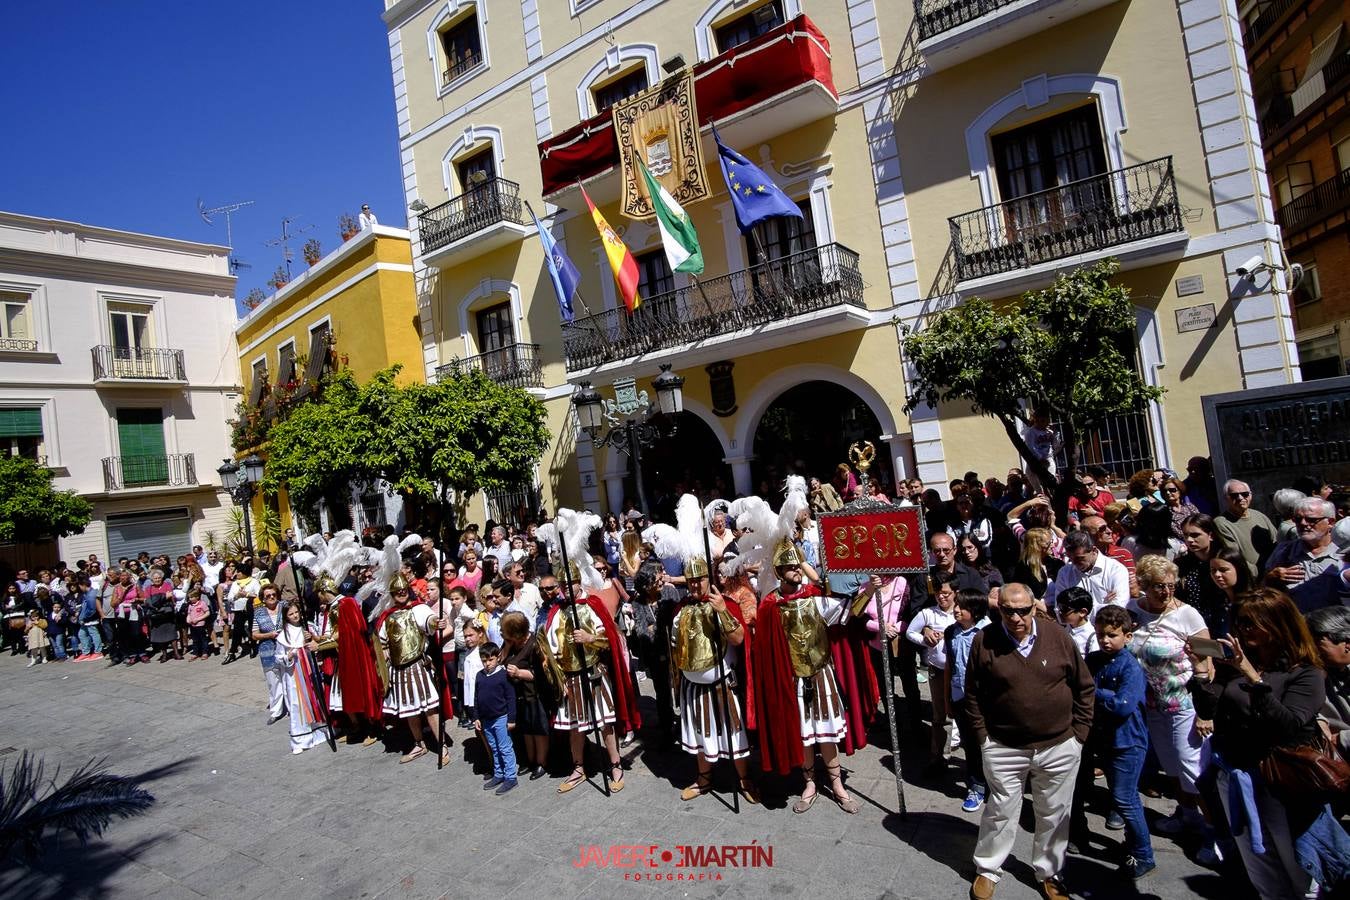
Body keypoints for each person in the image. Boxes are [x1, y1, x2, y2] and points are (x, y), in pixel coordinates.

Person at [1189, 589, 1341, 899]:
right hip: (1235, 777)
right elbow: (1208, 711)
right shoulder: (1235, 663)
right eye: (1239, 623)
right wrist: (1201, 671)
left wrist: (1251, 676)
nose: (1242, 631)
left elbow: (1286, 726)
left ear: (1277, 625)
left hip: (1281, 783)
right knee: (1261, 870)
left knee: (1300, 870)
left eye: (1250, 624)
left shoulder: (1306, 673)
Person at [965, 583, 1094, 900]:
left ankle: (1049, 872)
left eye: (1023, 610)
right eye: (1008, 610)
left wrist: (1079, 736)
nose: (1016, 617)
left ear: (1034, 607)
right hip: (1004, 746)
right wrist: (983, 739)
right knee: (1000, 810)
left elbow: (1084, 687)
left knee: (1054, 812)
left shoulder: (1057, 637)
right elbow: (972, 694)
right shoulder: (985, 640)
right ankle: (988, 868)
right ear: (1000, 609)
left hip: (1059, 745)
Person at [751, 539, 873, 815]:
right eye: (790, 567)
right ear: (780, 572)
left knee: (826, 732)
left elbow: (849, 612)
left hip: (821, 674)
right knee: (804, 734)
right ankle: (810, 784)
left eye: (798, 565)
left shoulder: (815, 596)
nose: (797, 570)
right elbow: (766, 650)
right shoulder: (771, 606)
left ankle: (837, 785)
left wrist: (870, 591)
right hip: (792, 680)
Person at [1127, 555, 1213, 842]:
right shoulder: (1133, 610)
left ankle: (1216, 833)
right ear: (1144, 585)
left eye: (1171, 586)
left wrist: (1205, 711)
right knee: (1172, 765)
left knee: (1191, 766)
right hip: (1152, 705)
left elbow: (1208, 664)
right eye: (1158, 587)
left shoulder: (1187, 615)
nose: (1166, 592)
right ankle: (1187, 815)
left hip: (1184, 703)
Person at [539, 557, 640, 794]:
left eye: (570, 584)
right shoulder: (556, 611)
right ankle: (578, 768)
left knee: (605, 723)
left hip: (594, 673)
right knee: (576, 726)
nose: (566, 589)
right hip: (570, 677)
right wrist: (557, 677)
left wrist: (590, 638)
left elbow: (611, 639)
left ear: (578, 582)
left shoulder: (592, 605)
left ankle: (615, 765)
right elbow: (550, 650)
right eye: (562, 585)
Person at [1073, 604, 1155, 879]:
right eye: (1100, 635)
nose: (1106, 641)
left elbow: (1122, 705)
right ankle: (1132, 845)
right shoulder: (1094, 660)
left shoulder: (1131, 667)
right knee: (1117, 795)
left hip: (1127, 742)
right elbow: (1078, 688)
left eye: (1112, 635)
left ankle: (1144, 854)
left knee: (1125, 798)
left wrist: (1096, 693)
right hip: (1102, 739)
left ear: (1127, 637)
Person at [670, 550, 758, 804]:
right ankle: (704, 778)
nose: (696, 584)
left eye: (700, 579)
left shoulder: (725, 604)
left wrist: (721, 611)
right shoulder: (681, 610)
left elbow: (739, 639)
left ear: (709, 579)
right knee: (700, 734)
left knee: (734, 733)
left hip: (722, 685)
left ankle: (743, 779)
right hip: (692, 687)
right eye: (691, 580)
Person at [376, 574, 450, 766]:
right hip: (398, 670)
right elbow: (383, 643)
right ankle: (419, 743)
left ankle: (441, 745)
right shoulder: (388, 616)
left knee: (429, 707)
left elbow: (429, 620)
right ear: (392, 594)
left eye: (403, 590)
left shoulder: (418, 609)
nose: (401, 594)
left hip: (418, 664)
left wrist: (437, 622)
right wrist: (384, 665)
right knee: (410, 710)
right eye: (397, 592)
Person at [946, 588, 991, 813]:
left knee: (990, 745)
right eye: (956, 605)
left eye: (961, 607)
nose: (955, 610)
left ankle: (996, 785)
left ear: (974, 610)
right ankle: (976, 785)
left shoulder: (989, 633)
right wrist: (948, 698)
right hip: (960, 696)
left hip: (986, 700)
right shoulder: (950, 632)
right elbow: (950, 665)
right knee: (970, 745)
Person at [907, 571, 958, 765]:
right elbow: (911, 632)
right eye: (938, 593)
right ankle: (938, 756)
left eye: (946, 593)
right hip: (938, 670)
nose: (942, 596)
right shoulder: (928, 613)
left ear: (955, 592)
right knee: (940, 715)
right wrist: (925, 640)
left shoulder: (963, 612)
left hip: (960, 671)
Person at [275, 600, 333, 754]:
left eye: (296, 612)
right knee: (297, 703)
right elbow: (278, 657)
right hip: (294, 673)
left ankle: (321, 731)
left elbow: (315, 646)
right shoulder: (283, 636)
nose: (295, 616)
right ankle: (301, 738)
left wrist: (311, 639)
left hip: (309, 669)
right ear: (286, 617)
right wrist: (289, 655)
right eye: (291, 614)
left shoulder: (307, 627)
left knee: (314, 696)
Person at [500, 611, 550, 780]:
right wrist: (506, 648)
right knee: (526, 730)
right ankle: (530, 761)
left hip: (534, 695)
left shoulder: (535, 645)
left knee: (538, 730)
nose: (502, 634)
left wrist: (520, 673)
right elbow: (500, 661)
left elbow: (542, 674)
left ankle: (541, 762)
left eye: (505, 631)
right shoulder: (511, 644)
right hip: (518, 695)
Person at [1044, 530, 1130, 617]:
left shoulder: (1116, 570)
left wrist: (1076, 611)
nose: (1074, 563)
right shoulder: (1064, 573)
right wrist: (1103, 606)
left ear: (1093, 550)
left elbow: (1117, 609)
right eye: (1070, 558)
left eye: (1079, 558)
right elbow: (1060, 611)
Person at [1264, 497, 1342, 589]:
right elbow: (1263, 588)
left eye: (1311, 519)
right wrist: (1271, 577)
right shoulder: (1284, 550)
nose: (1303, 523)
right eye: (1298, 519)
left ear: (1330, 522)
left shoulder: (1343, 552)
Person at [473, 641, 519, 794]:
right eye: (484, 660)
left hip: (501, 718)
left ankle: (511, 776)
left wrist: (511, 719)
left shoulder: (503, 675)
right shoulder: (479, 676)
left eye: (490, 660)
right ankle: (498, 773)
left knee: (505, 748)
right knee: (494, 748)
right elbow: (477, 698)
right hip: (486, 720)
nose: (487, 664)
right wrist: (477, 717)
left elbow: (511, 698)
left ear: (498, 657)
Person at [1307, 605, 1350, 762]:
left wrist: (1341, 739)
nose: (1312, 651)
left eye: (1318, 643)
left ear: (1347, 644)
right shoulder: (1318, 674)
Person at [1216, 479, 1277, 577]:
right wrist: (1261, 574)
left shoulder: (1260, 516)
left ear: (1251, 495)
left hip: (1273, 574)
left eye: (1245, 494)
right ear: (1226, 498)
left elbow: (1276, 543)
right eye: (1234, 495)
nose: (1240, 498)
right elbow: (1234, 557)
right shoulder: (1222, 523)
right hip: (1251, 578)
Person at [252, 584, 287, 725]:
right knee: (274, 682)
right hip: (268, 651)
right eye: (268, 596)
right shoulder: (259, 613)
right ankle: (276, 711)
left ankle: (292, 708)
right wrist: (269, 635)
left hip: (286, 648)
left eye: (274, 594)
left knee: (289, 679)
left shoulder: (285, 607)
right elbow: (254, 635)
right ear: (263, 599)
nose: (272, 597)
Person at [1010, 527, 1063, 601]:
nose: (1052, 545)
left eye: (1052, 542)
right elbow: (1026, 595)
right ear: (1036, 546)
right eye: (1048, 543)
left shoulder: (1056, 563)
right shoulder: (1024, 569)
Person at [1055, 586, 1097, 657]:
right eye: (1059, 608)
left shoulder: (1092, 637)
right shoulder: (1062, 630)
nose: (1060, 612)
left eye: (1065, 609)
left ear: (1082, 612)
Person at [185, 587, 211, 660]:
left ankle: (205, 652)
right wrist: (188, 619)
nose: (190, 599)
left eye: (192, 597)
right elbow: (189, 614)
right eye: (189, 597)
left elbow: (207, 613)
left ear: (197, 597)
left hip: (200, 624)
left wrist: (199, 619)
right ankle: (195, 653)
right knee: (195, 639)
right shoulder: (190, 605)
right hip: (193, 625)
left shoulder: (202, 603)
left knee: (203, 639)